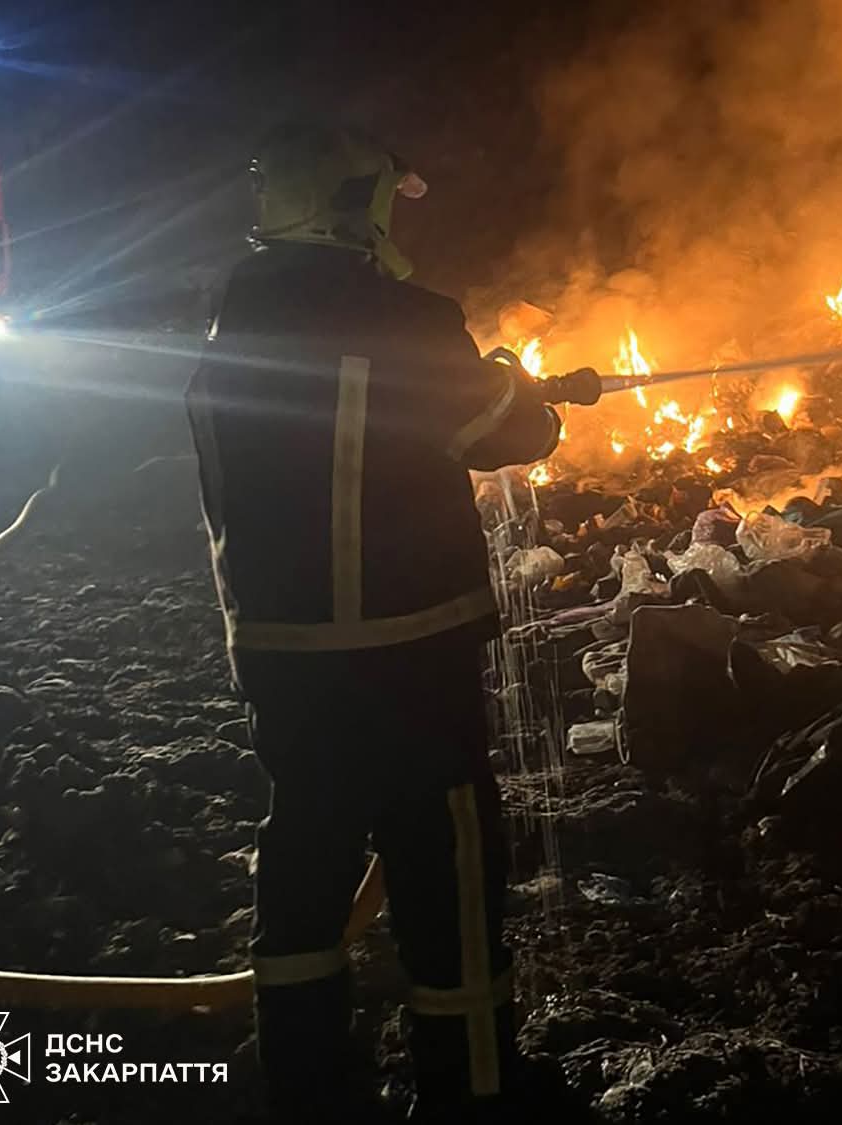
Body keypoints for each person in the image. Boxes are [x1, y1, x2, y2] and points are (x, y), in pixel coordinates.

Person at [184, 121, 600, 1122]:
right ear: (351, 206)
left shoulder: (231, 325)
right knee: (447, 869)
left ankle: (308, 1089)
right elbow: (511, 429)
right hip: (412, 657)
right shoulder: (406, 318)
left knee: (305, 860)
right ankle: (473, 1089)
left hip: (281, 660)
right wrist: (523, 383)